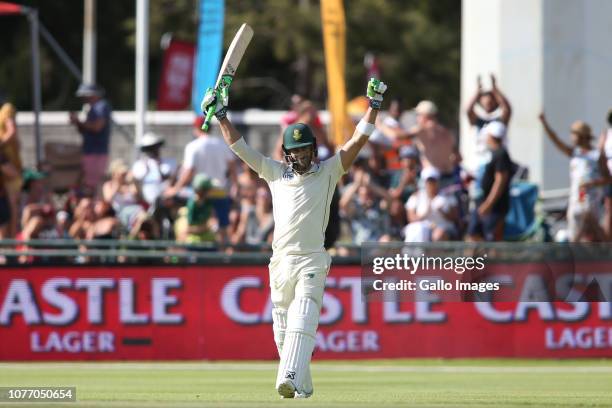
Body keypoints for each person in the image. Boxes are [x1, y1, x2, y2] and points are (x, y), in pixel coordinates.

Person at [201, 77, 387, 398]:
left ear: (313, 149)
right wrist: (220, 115)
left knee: (304, 314)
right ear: (287, 152)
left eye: (305, 151)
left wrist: (373, 107)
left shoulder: (329, 171)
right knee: (284, 335)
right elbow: (239, 147)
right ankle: (303, 385)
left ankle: (286, 379)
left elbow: (357, 141)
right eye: (295, 151)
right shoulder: (274, 172)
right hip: (279, 263)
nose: (300, 157)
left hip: (312, 258)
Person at [166, 116, 236, 246]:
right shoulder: (221, 144)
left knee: (193, 226)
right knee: (222, 228)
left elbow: (188, 172)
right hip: (219, 191)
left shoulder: (193, 146)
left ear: (196, 128)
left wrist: (175, 189)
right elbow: (232, 167)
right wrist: (235, 187)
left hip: (200, 194)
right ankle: (224, 259)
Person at [539, 113, 605, 241]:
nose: (571, 137)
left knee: (593, 232)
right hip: (576, 200)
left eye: (574, 134)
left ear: (582, 136)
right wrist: (545, 124)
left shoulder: (597, 155)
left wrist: (592, 183)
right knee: (575, 234)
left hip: (592, 201)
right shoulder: (575, 153)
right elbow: (556, 141)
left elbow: (607, 178)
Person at [467, 121, 514, 241]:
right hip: (484, 201)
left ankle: (491, 259)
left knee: (492, 237)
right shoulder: (492, 154)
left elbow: (500, 181)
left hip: (495, 206)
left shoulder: (501, 154)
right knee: (474, 234)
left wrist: (488, 204)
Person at [69, 83, 112, 191]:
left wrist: (79, 121)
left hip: (96, 152)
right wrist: (77, 123)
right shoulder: (92, 108)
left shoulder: (101, 106)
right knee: (88, 182)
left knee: (94, 184)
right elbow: (86, 130)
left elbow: (97, 127)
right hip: (90, 151)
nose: (82, 98)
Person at [404, 167, 459, 242]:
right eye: (428, 181)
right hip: (422, 228)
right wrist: (424, 215)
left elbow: (455, 218)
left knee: (438, 235)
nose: (431, 184)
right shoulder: (416, 196)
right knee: (418, 231)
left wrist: (442, 212)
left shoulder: (448, 196)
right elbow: (411, 218)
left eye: (433, 181)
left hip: (443, 228)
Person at [131, 131, 177, 208]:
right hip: (146, 202)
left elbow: (172, 179)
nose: (153, 150)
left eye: (154, 147)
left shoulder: (168, 163)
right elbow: (137, 182)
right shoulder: (139, 165)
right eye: (150, 148)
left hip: (166, 201)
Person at [0, 102, 23, 237]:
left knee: (12, 211)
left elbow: (12, 131)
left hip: (10, 173)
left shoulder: (6, 109)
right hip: (5, 176)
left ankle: (14, 246)